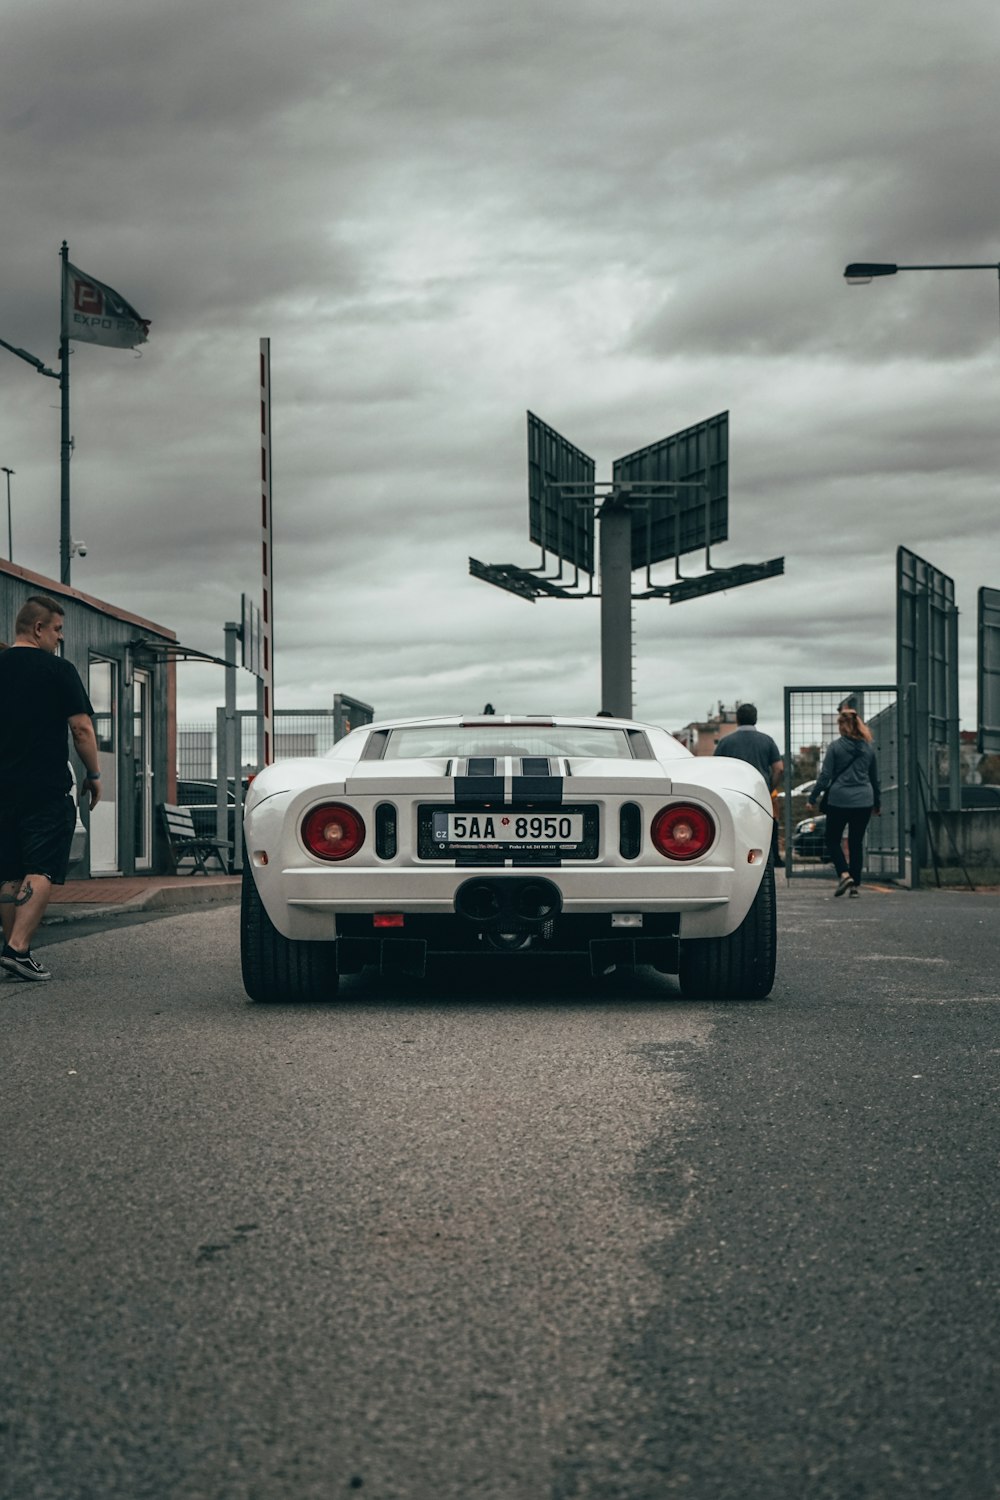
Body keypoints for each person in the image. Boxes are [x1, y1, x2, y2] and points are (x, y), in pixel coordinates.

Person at [0, 596, 102, 982]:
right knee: (40, 866)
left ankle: (12, 950)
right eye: (57, 629)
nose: (60, 638)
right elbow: (81, 729)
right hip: (44, 786)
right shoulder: (58, 670)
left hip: (2, 788)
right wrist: (93, 773)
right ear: (39, 628)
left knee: (8, 872)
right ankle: (17, 949)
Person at [807, 706, 880, 898]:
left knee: (832, 839)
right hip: (864, 800)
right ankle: (855, 887)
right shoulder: (867, 748)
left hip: (839, 800)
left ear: (841, 726)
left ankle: (844, 874)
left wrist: (813, 798)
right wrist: (877, 803)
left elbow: (825, 776)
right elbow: (874, 778)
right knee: (856, 843)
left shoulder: (836, 747)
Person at [713, 703, 784, 867]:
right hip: (760, 793)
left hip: (733, 796)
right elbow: (779, 769)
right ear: (756, 719)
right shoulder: (767, 741)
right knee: (763, 829)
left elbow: (716, 768)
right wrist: (769, 789)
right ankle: (765, 863)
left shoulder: (725, 742)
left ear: (737, 719)